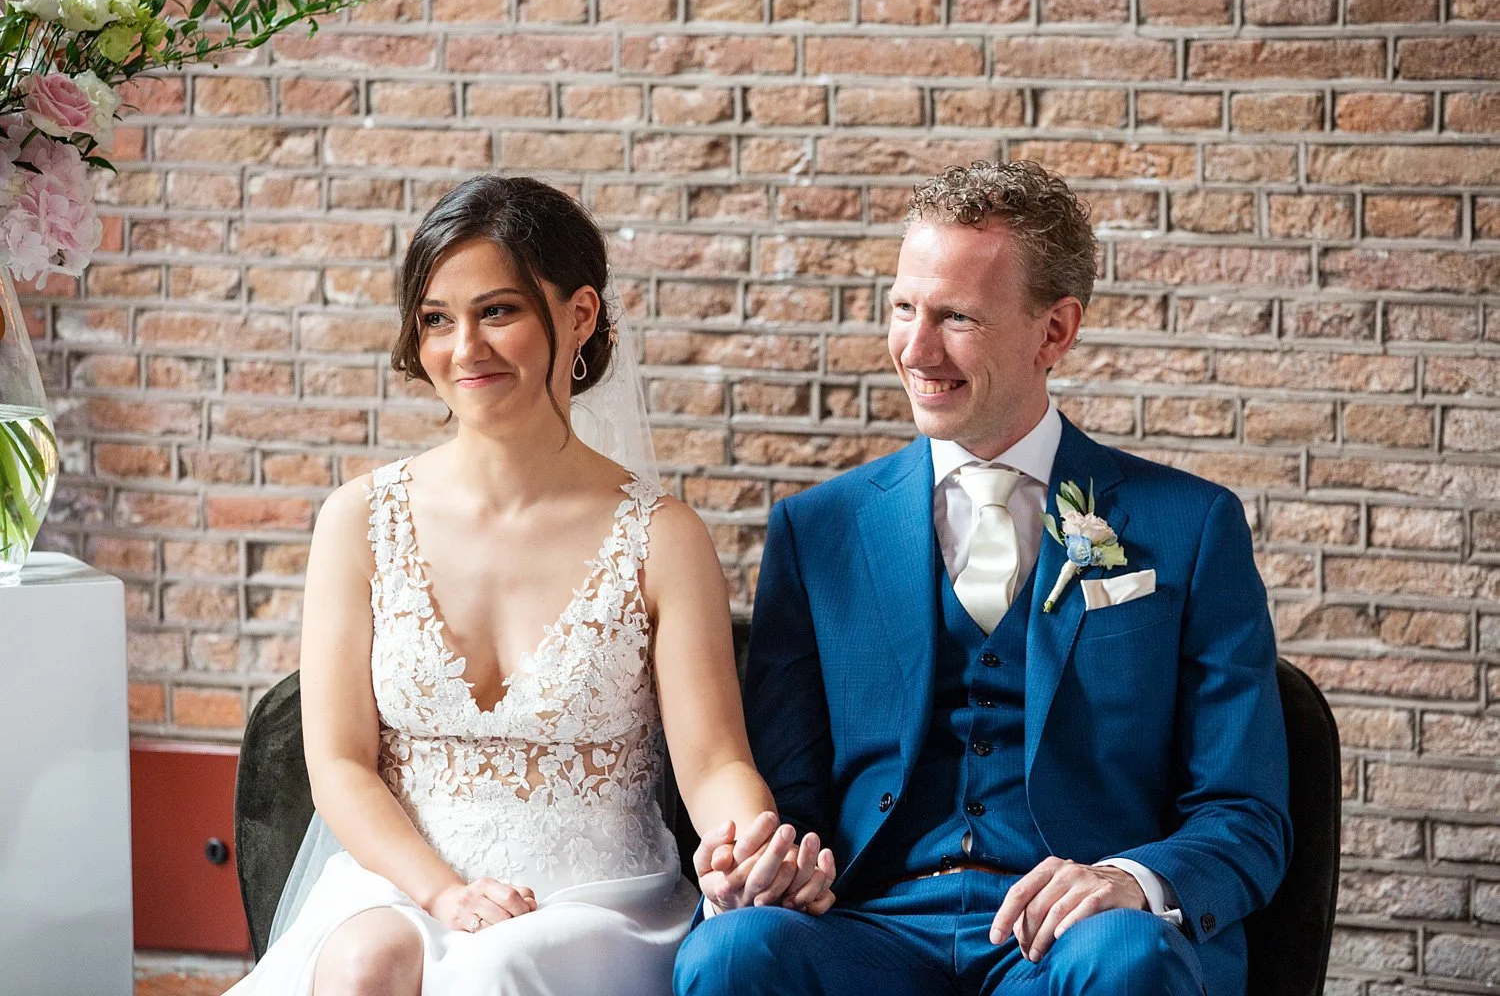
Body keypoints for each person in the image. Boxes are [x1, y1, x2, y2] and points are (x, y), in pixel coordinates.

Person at [674, 160, 1293, 996]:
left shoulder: (1190, 528)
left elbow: (1246, 814)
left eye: (957, 317)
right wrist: (770, 864)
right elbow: (789, 801)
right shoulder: (815, 533)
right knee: (730, 953)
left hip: (1075, 940)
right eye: (903, 309)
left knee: (1129, 958)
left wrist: (1126, 882)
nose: (915, 349)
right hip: (871, 932)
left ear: (1056, 331)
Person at [226, 175, 835, 996]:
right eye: (437, 319)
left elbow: (715, 759)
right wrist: (442, 890)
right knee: (362, 964)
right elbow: (338, 761)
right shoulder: (358, 520)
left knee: (495, 971)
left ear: (578, 315)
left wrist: (748, 843)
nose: (463, 348)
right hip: (407, 882)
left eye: (498, 312)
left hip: (598, 899)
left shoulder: (662, 537)